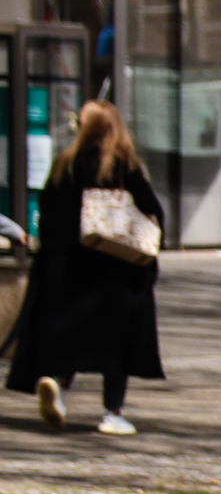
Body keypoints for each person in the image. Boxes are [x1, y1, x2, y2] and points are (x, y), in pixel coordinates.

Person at [4, 100, 163, 436]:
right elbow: (151, 210)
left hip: (67, 270)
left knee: (71, 337)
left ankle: (57, 386)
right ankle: (112, 412)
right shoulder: (123, 165)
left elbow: (47, 216)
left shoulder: (65, 163)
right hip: (115, 272)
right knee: (116, 346)